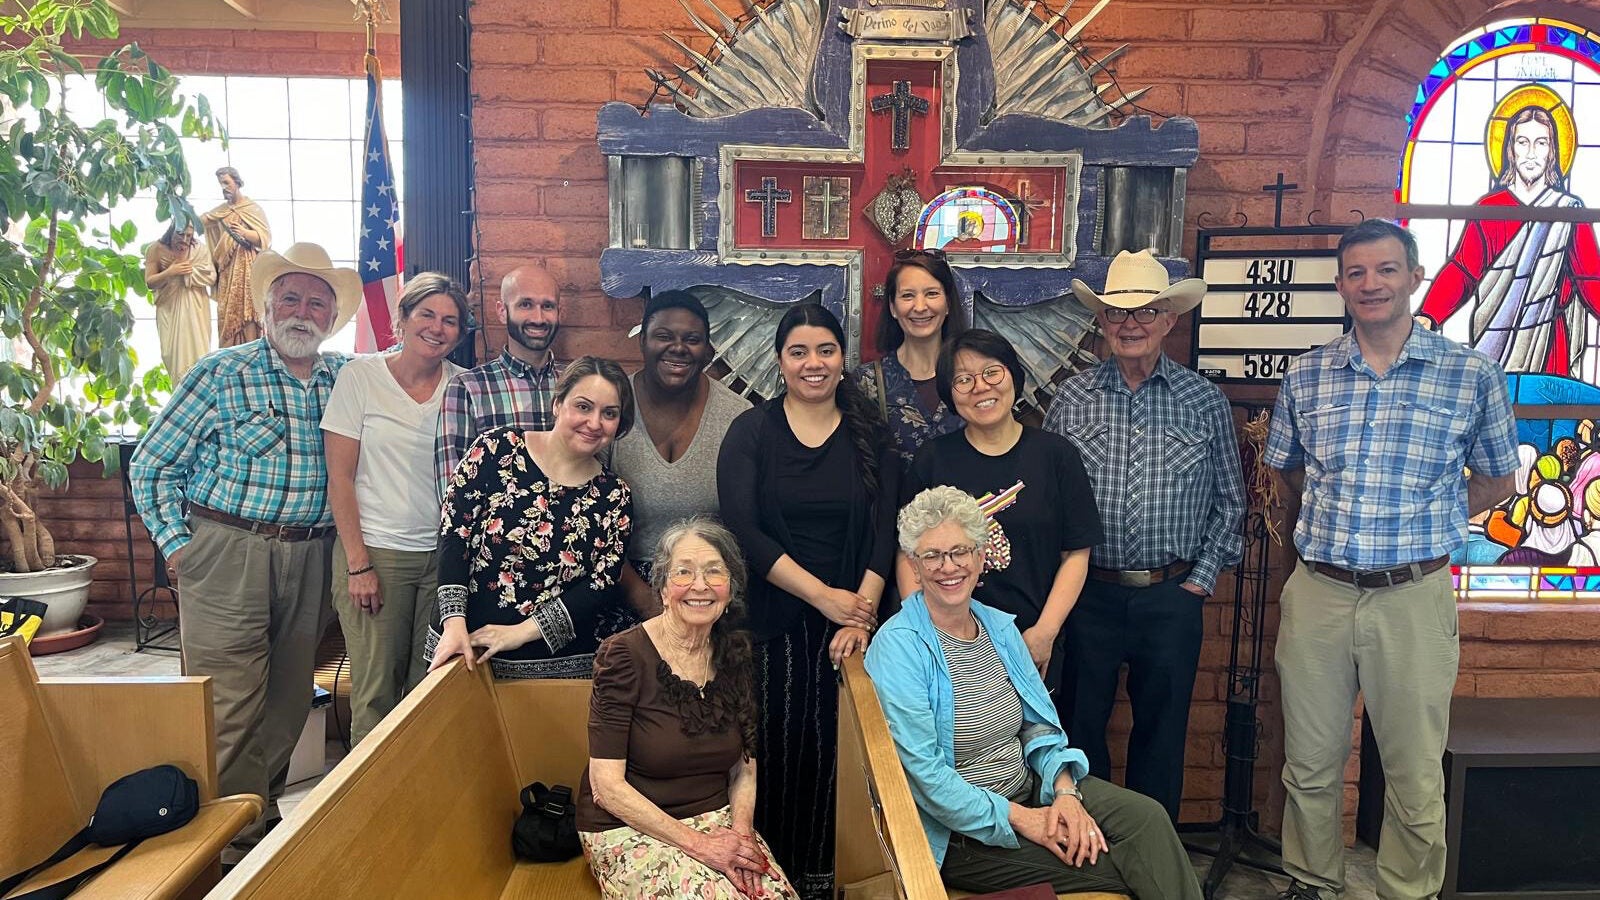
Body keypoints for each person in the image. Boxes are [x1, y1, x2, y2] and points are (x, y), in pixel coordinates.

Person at [1266, 218, 1519, 900]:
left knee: (1411, 767)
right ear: (1341, 285)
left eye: (1385, 270)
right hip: (1319, 590)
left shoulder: (1471, 376)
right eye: (1356, 273)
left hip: (1411, 595)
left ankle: (1406, 890)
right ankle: (1312, 880)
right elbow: (1287, 472)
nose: (1370, 284)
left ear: (1415, 276)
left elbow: (1498, 481)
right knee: (1311, 762)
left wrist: (1425, 521)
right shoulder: (1310, 374)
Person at [130, 242, 361, 858]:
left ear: (332, 318)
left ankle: (257, 823)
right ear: (266, 306)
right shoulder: (221, 372)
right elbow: (152, 464)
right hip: (228, 551)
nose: (302, 311)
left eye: (317, 302)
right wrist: (181, 549)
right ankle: (223, 847)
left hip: (312, 554)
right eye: (290, 296)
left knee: (287, 702)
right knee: (227, 704)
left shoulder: (345, 378)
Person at [865, 486, 1204, 899]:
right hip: (963, 832)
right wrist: (1025, 820)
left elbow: (1039, 728)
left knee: (1148, 818)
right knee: (1123, 864)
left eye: (960, 551)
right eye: (932, 555)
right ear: (914, 567)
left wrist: (1065, 793)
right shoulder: (899, 647)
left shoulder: (999, 628)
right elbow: (928, 781)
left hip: (1031, 786)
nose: (948, 566)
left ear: (979, 556)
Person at [1045, 249, 1246, 820]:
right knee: (1080, 728)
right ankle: (1092, 850)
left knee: (1162, 730)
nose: (1130, 325)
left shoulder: (1203, 401)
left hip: (1171, 594)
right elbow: (1051, 501)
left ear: (1169, 320)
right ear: (1101, 321)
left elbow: (1231, 502)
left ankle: (1155, 857)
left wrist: (1199, 583)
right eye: (1116, 313)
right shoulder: (1072, 399)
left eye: (1146, 312)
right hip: (1089, 596)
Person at [716, 302, 897, 899]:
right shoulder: (752, 431)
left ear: (843, 359)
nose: (813, 363)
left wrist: (862, 612)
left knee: (842, 759)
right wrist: (826, 599)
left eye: (825, 350)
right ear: (779, 360)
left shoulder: (871, 430)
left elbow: (886, 529)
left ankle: (829, 883)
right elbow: (744, 528)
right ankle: (769, 882)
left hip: (857, 627)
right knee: (776, 755)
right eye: (798, 351)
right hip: (774, 628)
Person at [578, 518, 799, 900]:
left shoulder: (735, 652)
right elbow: (606, 788)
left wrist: (742, 836)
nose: (700, 586)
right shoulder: (623, 656)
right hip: (630, 826)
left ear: (729, 590)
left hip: (718, 821)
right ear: (663, 589)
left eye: (714, 572)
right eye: (684, 572)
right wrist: (700, 847)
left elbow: (744, 764)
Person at [901, 329, 1102, 726]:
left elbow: (1076, 551)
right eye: (963, 379)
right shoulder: (933, 459)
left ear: (1012, 375)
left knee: (1039, 750)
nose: (980, 388)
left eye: (992, 372)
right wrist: (924, 634)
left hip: (1033, 639)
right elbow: (908, 554)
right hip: (951, 645)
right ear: (950, 393)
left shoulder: (1055, 455)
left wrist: (1045, 633)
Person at [321, 273, 468, 745]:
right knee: (375, 692)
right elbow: (339, 478)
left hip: (441, 560)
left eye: (450, 320)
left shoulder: (464, 388)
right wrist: (358, 564)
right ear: (402, 318)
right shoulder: (360, 377)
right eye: (426, 314)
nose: (437, 327)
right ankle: (368, 810)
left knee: (428, 688)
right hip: (376, 555)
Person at [427, 356, 635, 680]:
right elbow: (454, 533)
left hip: (549, 665)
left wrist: (521, 632)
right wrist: (453, 622)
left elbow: (602, 583)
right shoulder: (496, 449)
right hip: (463, 646)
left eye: (609, 413)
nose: (594, 423)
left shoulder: (615, 496)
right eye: (583, 406)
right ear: (557, 404)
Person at [1418, 101, 1600, 381]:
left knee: (1547, 419)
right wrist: (1429, 316)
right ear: (1510, 150)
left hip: (1549, 344)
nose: (1531, 153)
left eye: (1541, 143)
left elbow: (1592, 279)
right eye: (1522, 142)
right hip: (1493, 338)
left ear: (1552, 152)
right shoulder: (1490, 209)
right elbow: (1463, 270)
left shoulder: (1568, 211)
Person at [609, 291, 750, 616]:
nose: (678, 347)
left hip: (710, 589)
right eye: (663, 336)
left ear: (708, 350)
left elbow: (747, 524)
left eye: (692, 339)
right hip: (622, 585)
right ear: (642, 341)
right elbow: (588, 516)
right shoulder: (612, 408)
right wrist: (643, 598)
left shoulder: (738, 417)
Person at [437, 264, 563, 498]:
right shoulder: (468, 389)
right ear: (502, 311)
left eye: (547, 306)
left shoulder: (577, 385)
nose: (538, 317)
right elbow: (452, 495)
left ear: (559, 312)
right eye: (525, 304)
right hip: (493, 534)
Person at [852, 248, 965, 466]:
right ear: (893, 307)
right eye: (907, 296)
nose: (920, 307)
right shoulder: (868, 382)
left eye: (932, 293)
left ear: (948, 303)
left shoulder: (973, 374)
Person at [202, 166, 272, 347]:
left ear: (237, 182)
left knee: (248, 310)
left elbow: (264, 239)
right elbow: (199, 222)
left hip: (247, 265)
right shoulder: (221, 211)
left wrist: (244, 232)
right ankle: (229, 351)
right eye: (221, 184)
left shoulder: (252, 209)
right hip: (227, 269)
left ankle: (251, 347)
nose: (224, 187)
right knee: (227, 312)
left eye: (226, 182)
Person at [144, 223, 217, 382]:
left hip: (196, 309)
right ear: (172, 230)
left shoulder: (200, 250)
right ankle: (180, 396)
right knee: (175, 356)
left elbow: (211, 276)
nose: (184, 240)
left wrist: (189, 273)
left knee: (199, 354)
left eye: (189, 236)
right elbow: (150, 282)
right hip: (169, 308)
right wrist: (170, 272)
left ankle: (201, 396)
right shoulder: (156, 249)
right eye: (180, 234)